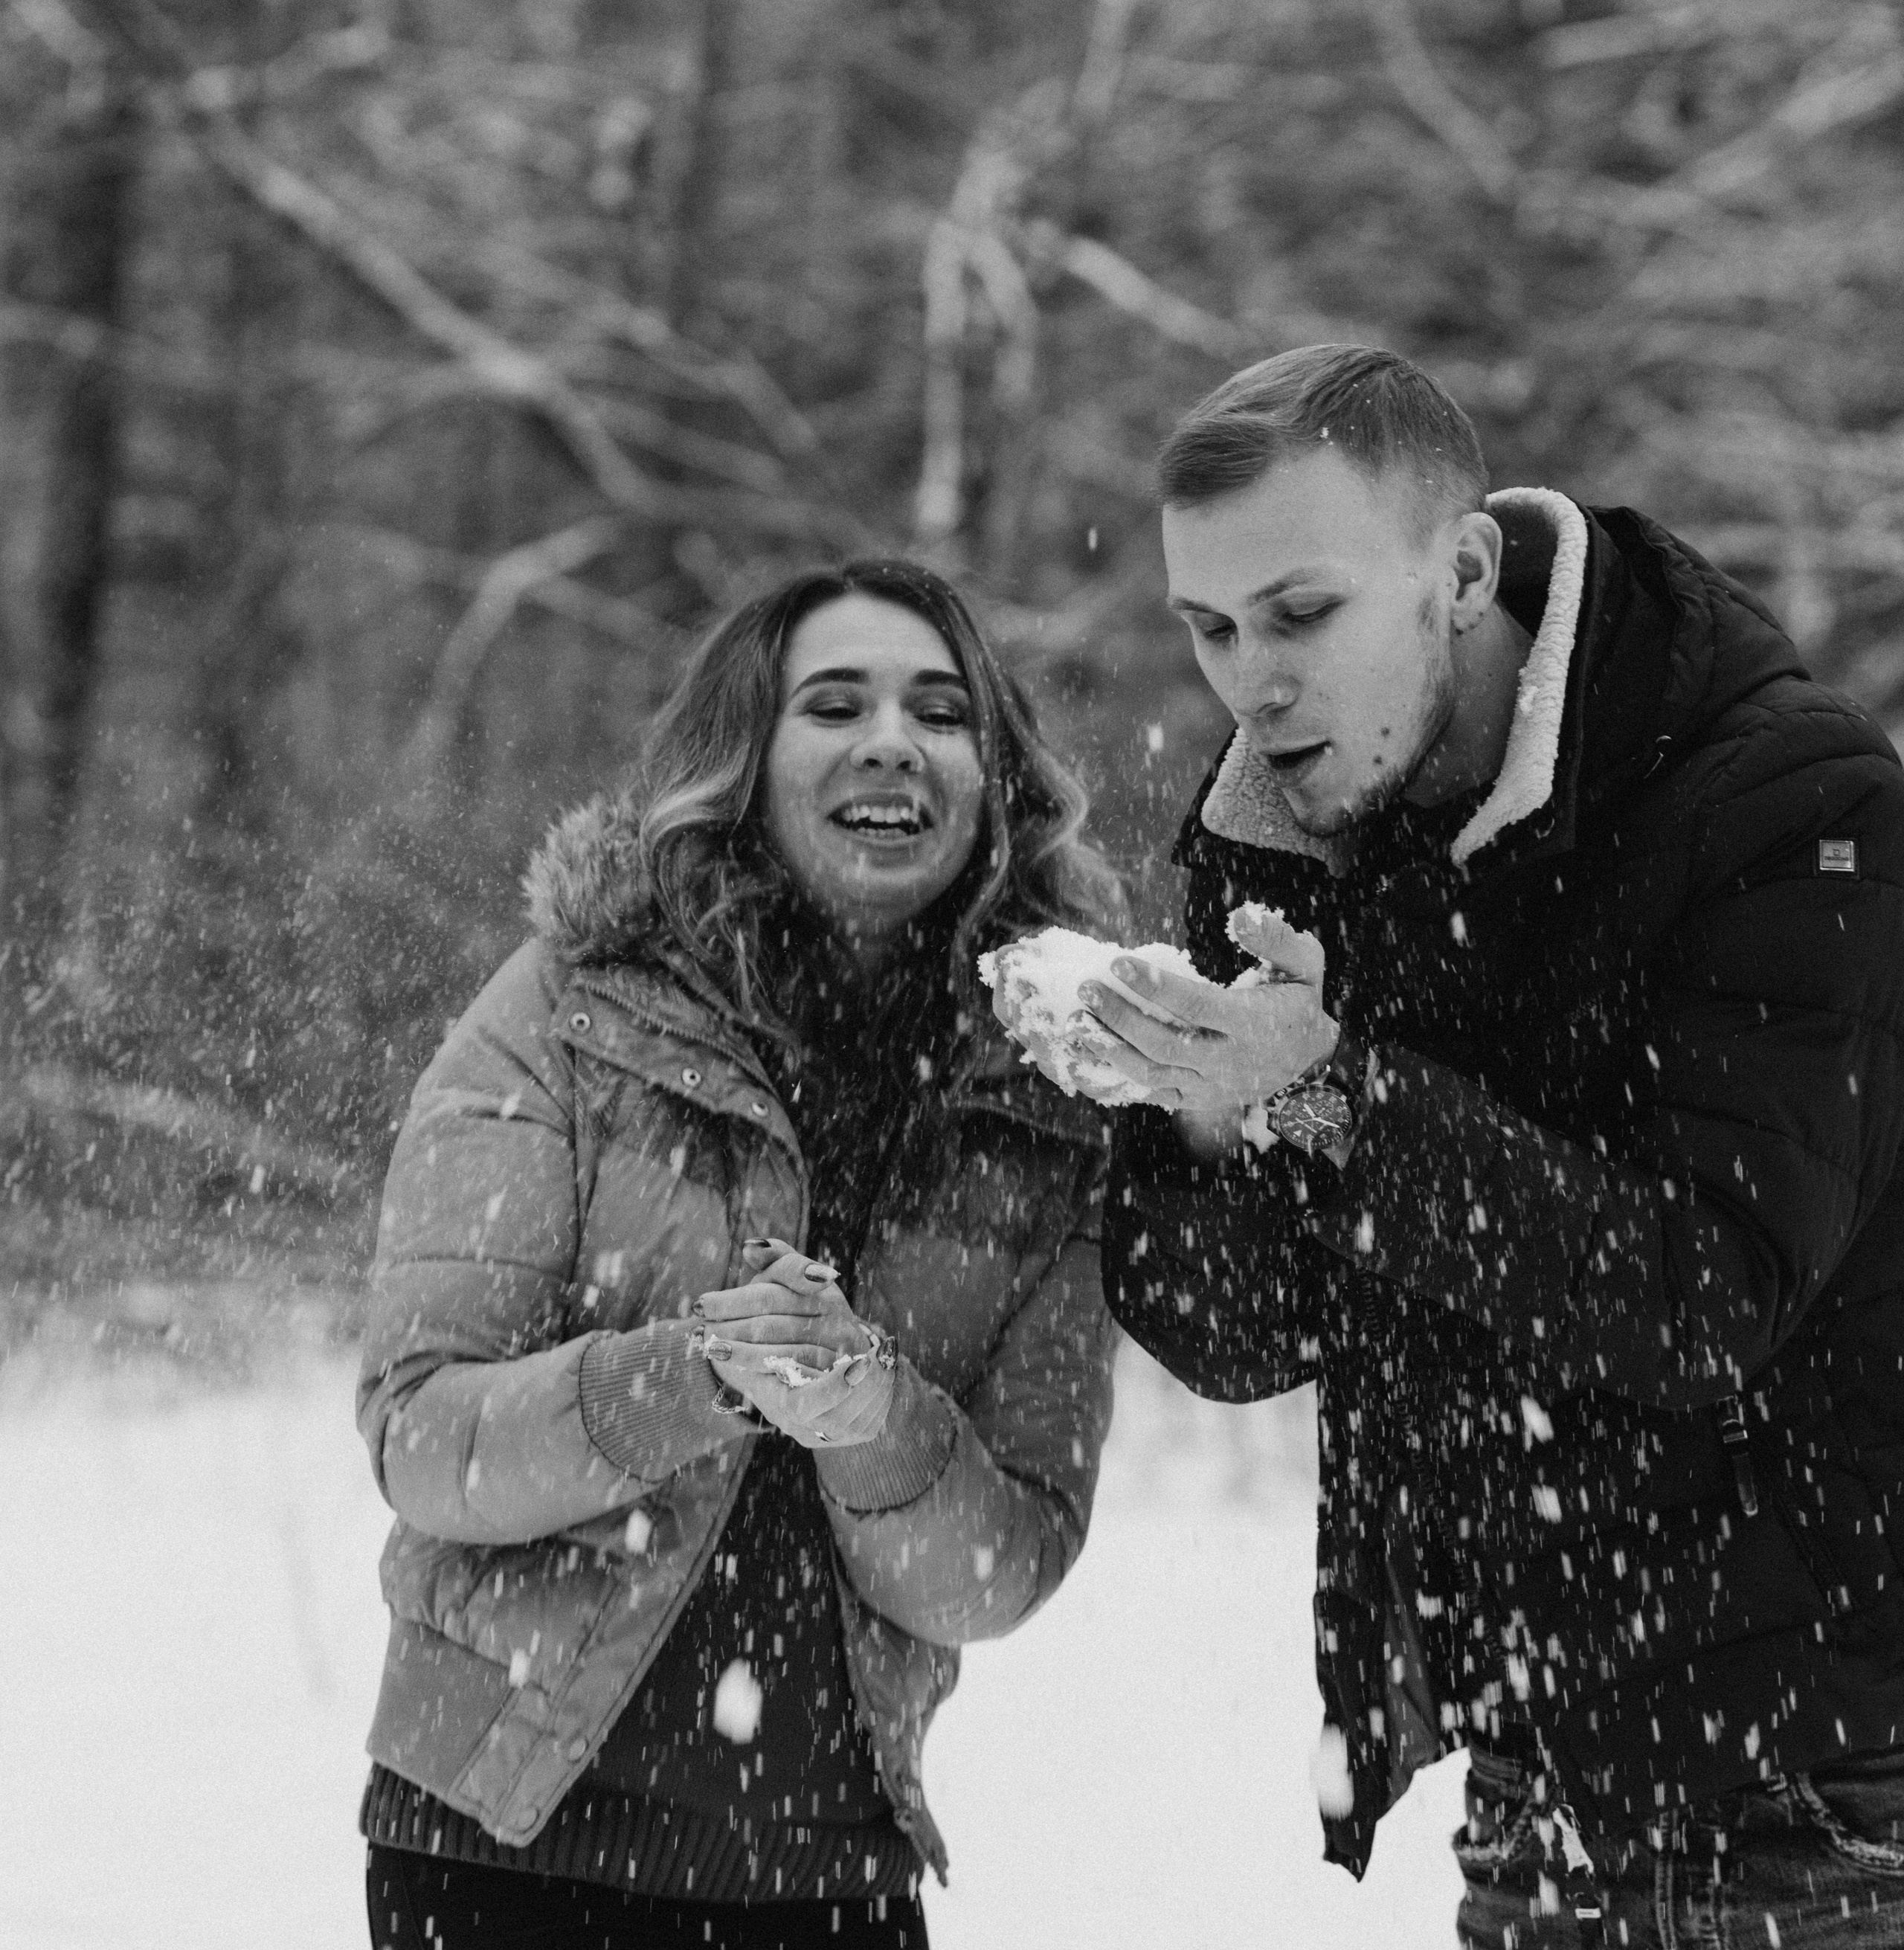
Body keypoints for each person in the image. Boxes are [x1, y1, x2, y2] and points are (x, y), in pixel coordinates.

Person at [1000, 344, 1904, 1946]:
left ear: (1463, 568)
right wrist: (1214, 1119)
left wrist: (1334, 1099)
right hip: (1528, 1780)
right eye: (1207, 628)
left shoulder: (1789, 807)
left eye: (1298, 612)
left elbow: (1698, 1297)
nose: (1248, 680)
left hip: (1822, 1790)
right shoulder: (1281, 830)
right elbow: (1237, 1337)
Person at [356, 559, 1122, 1950]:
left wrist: (874, 1420)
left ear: (993, 775)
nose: (893, 737)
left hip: (826, 1876)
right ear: (749, 759)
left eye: (942, 712)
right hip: (500, 1851)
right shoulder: (570, 1006)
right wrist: (695, 1373)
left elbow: (996, 1568)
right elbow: (423, 1435)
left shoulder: (1047, 1099)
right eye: (834, 703)